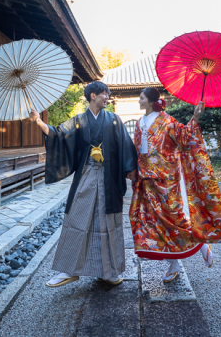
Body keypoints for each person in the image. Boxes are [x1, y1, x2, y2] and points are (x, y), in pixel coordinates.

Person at [29, 81, 138, 287]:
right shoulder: (79, 121)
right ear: (93, 96)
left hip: (109, 178)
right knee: (77, 218)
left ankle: (109, 272)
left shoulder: (114, 120)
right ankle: (69, 270)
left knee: (108, 224)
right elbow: (58, 134)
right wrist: (38, 121)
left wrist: (131, 167)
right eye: (105, 94)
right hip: (87, 173)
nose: (108, 97)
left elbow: (125, 144)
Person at [129, 87, 221, 282]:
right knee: (154, 221)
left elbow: (185, 137)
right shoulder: (139, 123)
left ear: (151, 102)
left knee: (174, 218)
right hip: (145, 180)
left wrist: (195, 117)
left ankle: (200, 242)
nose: (139, 101)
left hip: (166, 179)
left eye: (141, 98)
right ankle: (173, 263)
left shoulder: (167, 121)